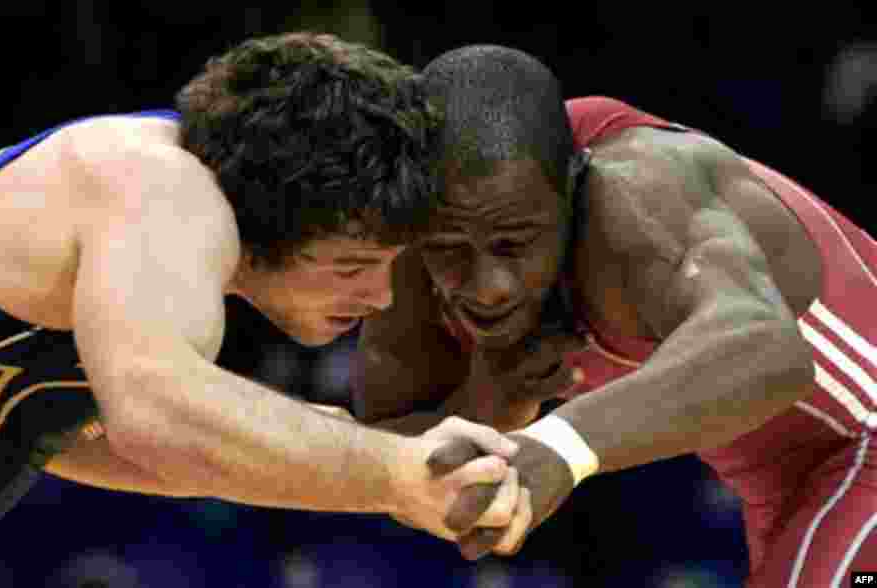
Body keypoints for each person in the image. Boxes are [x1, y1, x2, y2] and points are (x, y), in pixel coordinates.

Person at [0, 33, 533, 588]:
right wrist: (387, 470)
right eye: (352, 266)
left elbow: (73, 440)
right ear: (270, 216)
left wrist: (353, 464)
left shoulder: (143, 195)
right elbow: (156, 415)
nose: (381, 297)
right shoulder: (158, 185)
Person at [352, 45, 877, 584]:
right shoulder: (420, 229)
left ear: (571, 185)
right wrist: (488, 405)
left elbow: (771, 353)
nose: (489, 288)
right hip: (792, 488)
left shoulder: (638, 190)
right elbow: (391, 454)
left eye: (514, 244)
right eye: (451, 250)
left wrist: (561, 443)